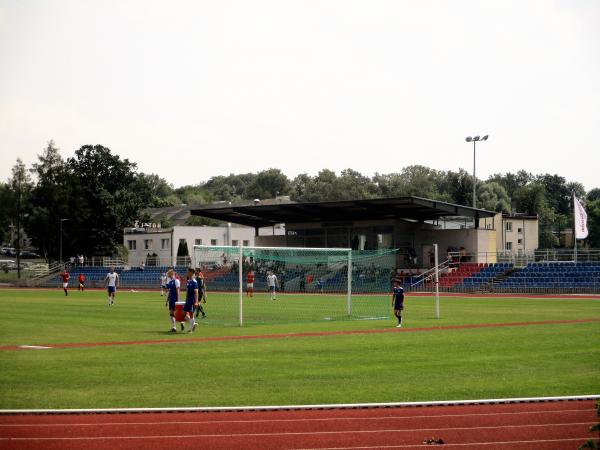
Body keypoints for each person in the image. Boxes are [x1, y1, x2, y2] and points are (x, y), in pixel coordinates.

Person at [183, 268, 198, 332]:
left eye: (188, 272)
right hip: (188, 300)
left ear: (192, 273)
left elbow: (196, 292)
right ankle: (193, 324)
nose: (187, 273)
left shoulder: (194, 282)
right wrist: (186, 299)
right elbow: (187, 291)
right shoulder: (189, 281)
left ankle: (191, 328)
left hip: (192, 300)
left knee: (190, 314)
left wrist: (196, 301)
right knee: (184, 314)